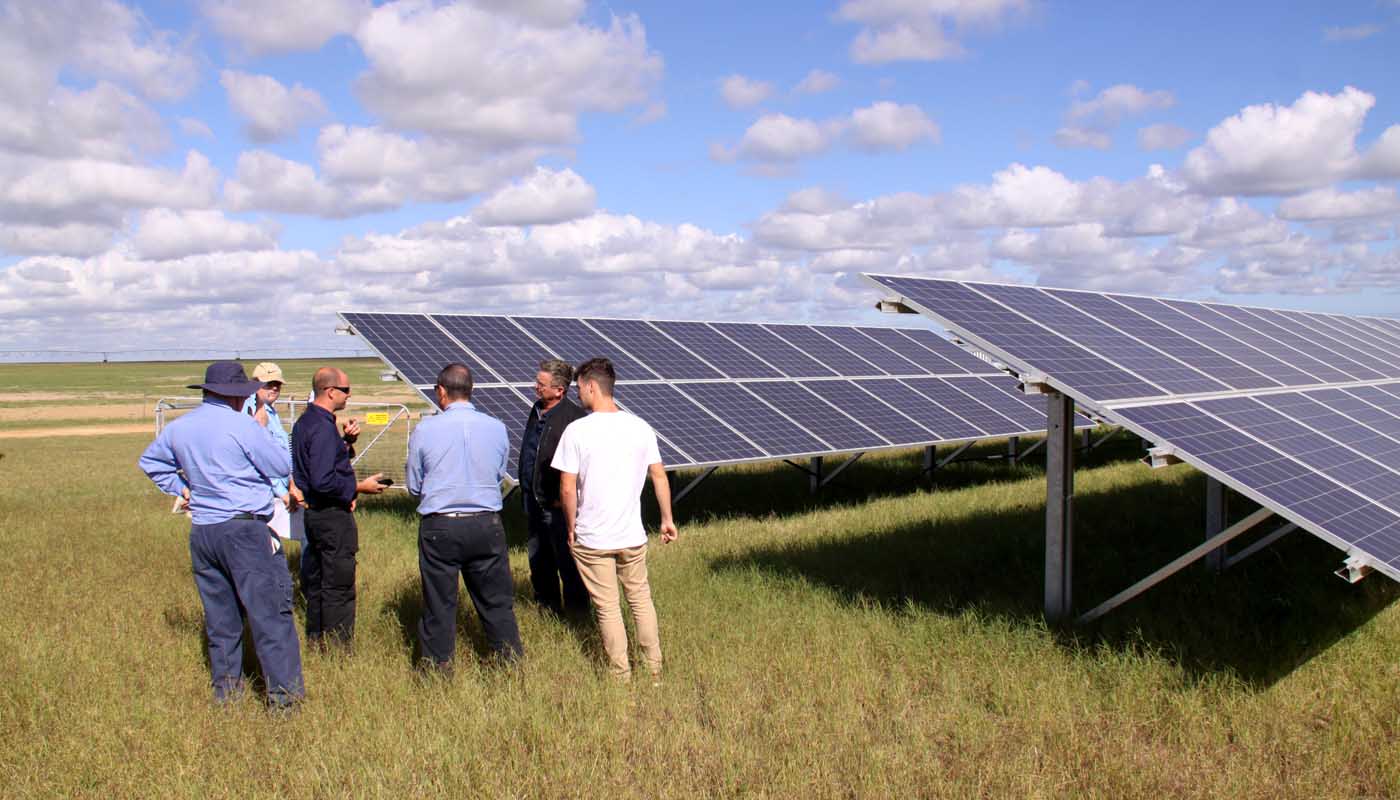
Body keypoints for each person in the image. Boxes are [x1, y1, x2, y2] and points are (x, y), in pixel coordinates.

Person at [137, 361, 303, 709]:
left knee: (221, 619)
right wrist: (258, 430)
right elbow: (279, 467)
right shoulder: (242, 426)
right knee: (271, 616)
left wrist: (183, 490)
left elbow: (151, 462)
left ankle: (227, 697)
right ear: (236, 394)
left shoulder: (180, 427)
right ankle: (284, 702)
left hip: (204, 532)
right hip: (246, 530)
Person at [552, 357, 678, 682]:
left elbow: (567, 487)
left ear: (592, 387)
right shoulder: (640, 427)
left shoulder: (576, 431)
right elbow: (659, 476)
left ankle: (620, 674)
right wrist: (667, 519)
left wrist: (570, 527)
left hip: (593, 537)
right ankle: (654, 670)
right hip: (632, 535)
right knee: (640, 599)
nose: (578, 394)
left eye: (579, 388)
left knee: (607, 607)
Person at [406, 363, 523, 671]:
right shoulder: (496, 427)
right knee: (497, 601)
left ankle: (437, 668)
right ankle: (509, 663)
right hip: (487, 523)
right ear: (470, 391)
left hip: (440, 525)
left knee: (439, 603)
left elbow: (414, 484)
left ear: (441, 392)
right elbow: (500, 474)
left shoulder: (425, 429)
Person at [291, 366, 385, 649]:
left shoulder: (307, 423)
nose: (349, 395)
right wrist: (358, 487)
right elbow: (322, 480)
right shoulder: (320, 427)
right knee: (338, 585)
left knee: (319, 581)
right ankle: (337, 650)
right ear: (330, 391)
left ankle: (316, 639)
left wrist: (346, 443)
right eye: (345, 390)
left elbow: (320, 464)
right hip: (332, 518)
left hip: (316, 515)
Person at [518, 358, 588, 617]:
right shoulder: (536, 409)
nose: (536, 387)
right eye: (537, 382)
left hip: (558, 506)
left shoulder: (575, 419)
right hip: (534, 502)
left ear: (559, 390)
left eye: (541, 384)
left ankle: (577, 613)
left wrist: (564, 497)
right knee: (539, 561)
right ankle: (547, 610)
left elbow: (582, 465)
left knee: (568, 563)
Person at [241, 362, 303, 543]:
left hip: (277, 490)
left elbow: (280, 452)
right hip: (261, 493)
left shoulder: (270, 412)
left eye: (278, 383)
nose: (275, 387)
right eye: (268, 383)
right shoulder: (251, 410)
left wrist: (291, 484)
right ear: (255, 384)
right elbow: (259, 457)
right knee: (260, 546)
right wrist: (282, 493)